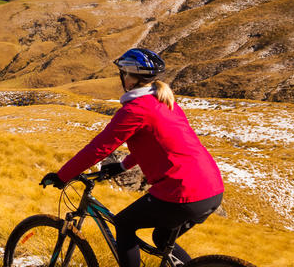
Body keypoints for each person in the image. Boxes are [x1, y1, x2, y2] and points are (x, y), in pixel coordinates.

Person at [40, 48, 224, 267]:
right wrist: (122, 166)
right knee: (162, 239)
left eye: (122, 74)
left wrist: (63, 175)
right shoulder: (164, 101)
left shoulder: (135, 110)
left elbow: (99, 148)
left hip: (182, 191)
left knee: (124, 224)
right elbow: (158, 143)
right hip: (211, 189)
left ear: (128, 77)